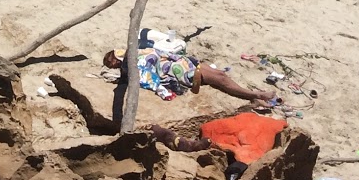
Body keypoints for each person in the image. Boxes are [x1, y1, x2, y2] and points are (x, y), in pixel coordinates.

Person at [102, 48, 278, 108]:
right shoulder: (134, 63)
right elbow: (149, 80)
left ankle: (254, 96)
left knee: (219, 77)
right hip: (178, 70)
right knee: (221, 77)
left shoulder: (132, 55)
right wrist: (163, 90)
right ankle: (255, 95)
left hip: (182, 62)